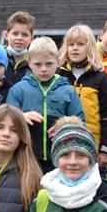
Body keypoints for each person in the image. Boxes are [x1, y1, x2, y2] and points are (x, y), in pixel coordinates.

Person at [6, 36, 84, 173]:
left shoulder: (68, 91)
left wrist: (63, 125)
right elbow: (6, 118)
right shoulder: (18, 89)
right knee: (29, 192)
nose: (43, 69)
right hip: (26, 156)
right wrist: (21, 117)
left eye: (49, 64)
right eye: (38, 64)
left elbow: (80, 121)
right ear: (29, 63)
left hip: (59, 156)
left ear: (58, 62)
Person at [58, 24, 107, 176]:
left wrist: (106, 149)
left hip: (92, 145)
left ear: (90, 47)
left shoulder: (101, 78)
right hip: (64, 144)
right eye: (71, 44)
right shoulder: (59, 76)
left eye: (80, 44)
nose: (75, 48)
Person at [3, 11, 35, 85]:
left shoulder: (35, 64)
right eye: (15, 33)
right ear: (6, 35)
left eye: (25, 34)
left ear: (32, 38)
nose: (19, 38)